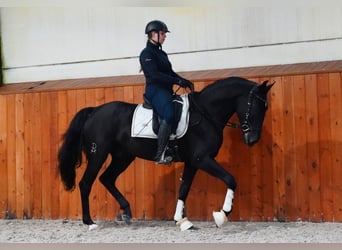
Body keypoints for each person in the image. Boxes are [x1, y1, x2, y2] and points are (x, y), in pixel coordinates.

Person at [139, 20, 194, 164]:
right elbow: (155, 75)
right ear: (153, 34)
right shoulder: (146, 54)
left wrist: (183, 80)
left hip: (166, 89)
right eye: (162, 33)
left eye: (164, 34)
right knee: (168, 114)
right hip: (155, 90)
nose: (165, 36)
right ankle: (160, 153)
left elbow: (170, 72)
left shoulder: (161, 54)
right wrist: (176, 82)